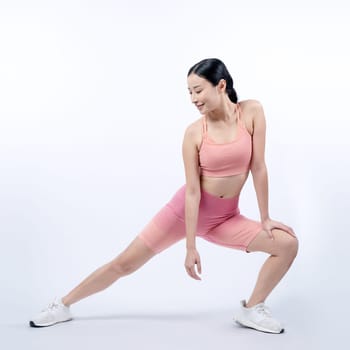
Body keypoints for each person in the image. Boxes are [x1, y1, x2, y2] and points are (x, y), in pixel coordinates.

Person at [29, 58, 298, 334]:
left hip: (227, 219)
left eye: (198, 90)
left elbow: (259, 167)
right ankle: (63, 305)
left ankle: (252, 308)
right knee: (125, 264)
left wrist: (265, 218)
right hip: (183, 214)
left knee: (287, 245)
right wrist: (190, 246)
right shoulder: (194, 133)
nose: (193, 98)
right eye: (189, 92)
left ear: (221, 85)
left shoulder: (252, 112)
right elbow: (192, 192)